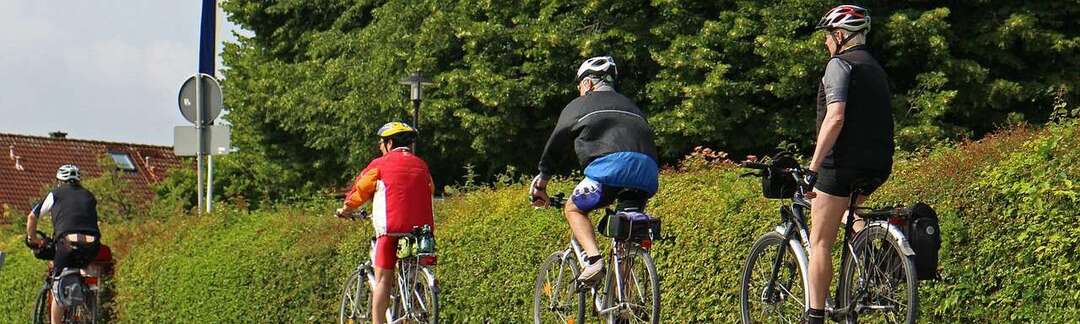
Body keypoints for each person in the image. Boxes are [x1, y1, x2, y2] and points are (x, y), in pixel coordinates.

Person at [529, 56, 660, 285]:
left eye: (580, 86)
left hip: (610, 169)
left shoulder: (580, 105)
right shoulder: (632, 106)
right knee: (626, 235)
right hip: (647, 172)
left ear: (588, 83)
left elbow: (556, 143)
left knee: (573, 209)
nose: (580, 91)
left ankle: (594, 261)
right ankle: (622, 300)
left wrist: (542, 182)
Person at [805, 5, 895, 323]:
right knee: (850, 211)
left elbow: (836, 117)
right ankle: (874, 260)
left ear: (841, 35)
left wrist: (813, 168)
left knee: (820, 241)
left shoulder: (839, 64)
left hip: (841, 165)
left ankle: (815, 315)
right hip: (878, 164)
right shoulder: (876, 69)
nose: (826, 42)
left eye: (829, 36)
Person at [336, 122, 435, 324]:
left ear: (390, 143)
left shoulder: (380, 164)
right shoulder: (422, 165)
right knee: (412, 272)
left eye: (381, 143)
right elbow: (430, 189)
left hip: (390, 230)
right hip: (421, 232)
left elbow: (360, 190)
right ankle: (418, 305)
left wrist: (346, 209)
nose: (380, 147)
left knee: (382, 280)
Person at [25, 164, 102, 324]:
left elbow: (32, 217)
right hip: (93, 245)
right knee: (83, 267)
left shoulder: (55, 194)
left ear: (59, 181)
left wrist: (33, 240)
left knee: (57, 288)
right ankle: (87, 294)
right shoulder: (89, 196)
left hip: (67, 244)